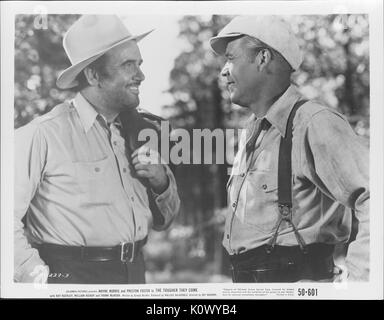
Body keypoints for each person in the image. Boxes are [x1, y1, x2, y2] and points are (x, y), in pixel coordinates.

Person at [14, 15, 180, 284]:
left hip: (135, 274)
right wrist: (39, 280)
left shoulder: (140, 131)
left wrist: (161, 181)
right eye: (128, 65)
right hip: (71, 279)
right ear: (93, 75)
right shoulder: (42, 134)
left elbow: (165, 221)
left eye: (138, 64)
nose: (141, 75)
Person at [209, 16, 369, 282]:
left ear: (262, 58)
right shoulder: (253, 132)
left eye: (231, 58)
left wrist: (359, 284)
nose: (224, 71)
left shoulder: (313, 123)